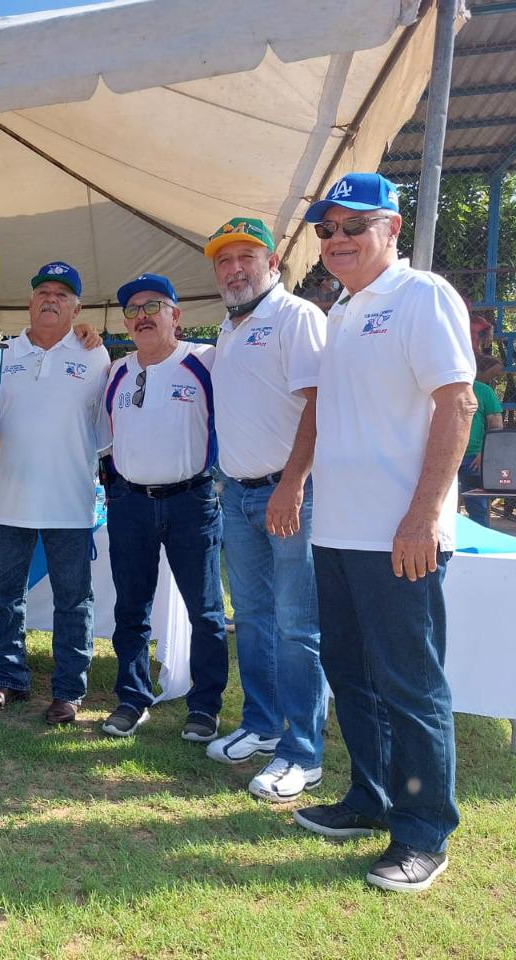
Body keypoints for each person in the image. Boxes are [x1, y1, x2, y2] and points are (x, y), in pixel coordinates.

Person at [293, 172, 475, 893]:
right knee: (350, 674)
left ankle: (425, 832)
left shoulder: (420, 295)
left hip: (401, 536)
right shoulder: (342, 309)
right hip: (339, 533)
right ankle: (370, 797)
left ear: (391, 228)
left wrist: (426, 514)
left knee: (412, 685)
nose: (337, 240)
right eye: (327, 230)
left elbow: (457, 404)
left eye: (353, 226)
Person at [201, 217, 329, 803]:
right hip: (241, 493)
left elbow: (318, 406)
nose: (234, 269)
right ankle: (259, 724)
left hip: (288, 494)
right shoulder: (228, 330)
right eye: (224, 261)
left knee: (298, 624)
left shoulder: (297, 318)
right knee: (251, 616)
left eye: (246, 257)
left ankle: (303, 752)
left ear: (272, 263)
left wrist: (293, 483)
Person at [0, 261, 111, 726]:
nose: (51, 299)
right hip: (8, 498)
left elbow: (106, 431)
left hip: (70, 501)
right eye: (43, 292)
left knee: (74, 599)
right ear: (30, 302)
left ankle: (69, 691)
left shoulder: (96, 357)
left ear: (76, 307)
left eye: (62, 294)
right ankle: (8, 680)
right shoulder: (2, 354)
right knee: (3, 595)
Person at [100, 273, 228, 744]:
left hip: (191, 500)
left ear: (177, 315)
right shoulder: (115, 370)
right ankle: (132, 699)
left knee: (206, 610)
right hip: (130, 501)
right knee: (130, 607)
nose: (142, 316)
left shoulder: (205, 360)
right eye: (132, 310)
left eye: (154, 306)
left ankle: (205, 705)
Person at [459, 371, 502, 527]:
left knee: (478, 507)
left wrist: (486, 452)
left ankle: (478, 545)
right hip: (441, 455)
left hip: (474, 457)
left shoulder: (483, 390)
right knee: (438, 505)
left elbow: (496, 425)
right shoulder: (437, 387)